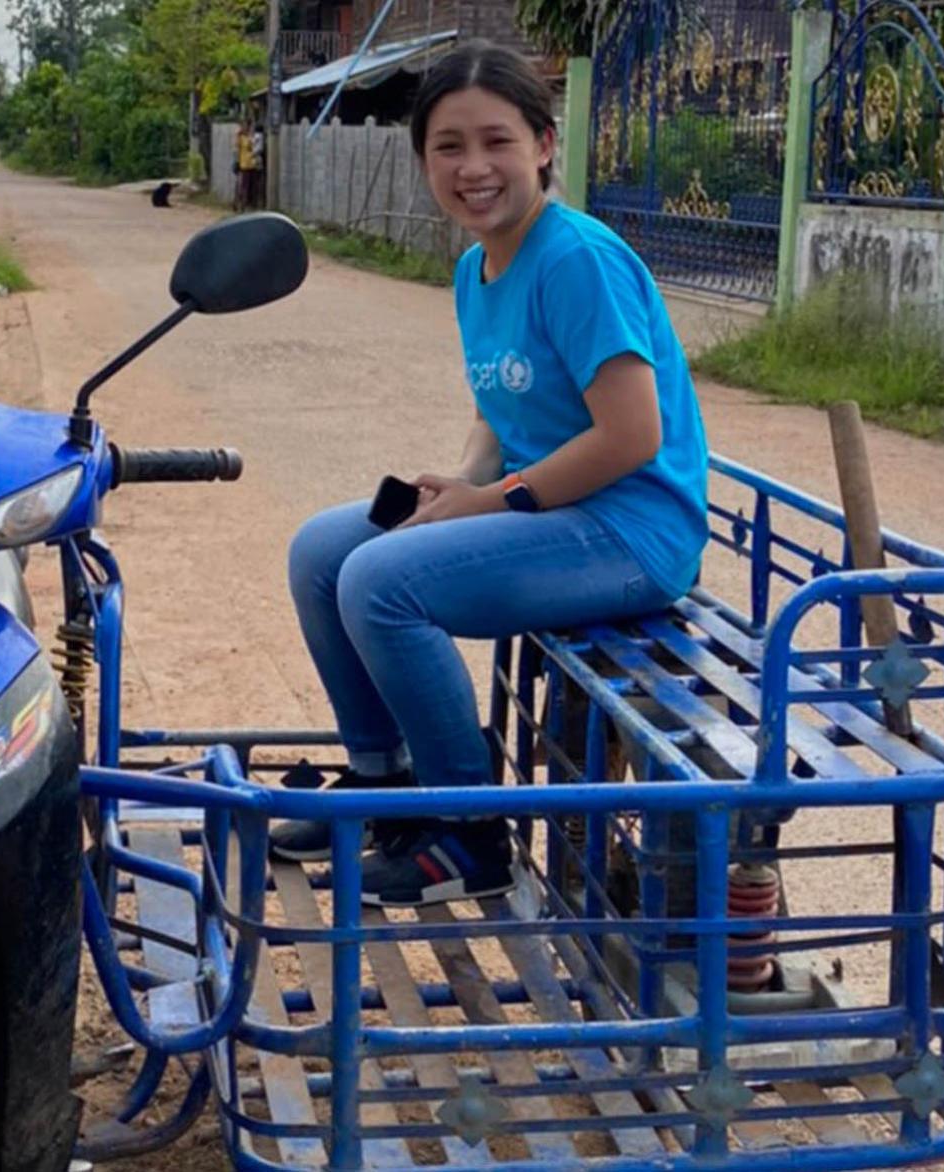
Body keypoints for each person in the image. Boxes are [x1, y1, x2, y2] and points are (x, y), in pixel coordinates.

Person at [269, 43, 710, 908]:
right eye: (448, 146)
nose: (473, 168)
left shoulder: (575, 259)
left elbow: (631, 434)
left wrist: (494, 500)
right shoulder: (478, 265)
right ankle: (384, 778)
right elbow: (497, 415)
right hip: (555, 509)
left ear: (544, 145)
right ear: (424, 159)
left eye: (497, 142)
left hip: (630, 528)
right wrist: (461, 484)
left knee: (381, 583)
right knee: (323, 549)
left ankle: (471, 834)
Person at [235, 119, 258, 211]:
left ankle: (250, 204)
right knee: (244, 186)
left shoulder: (252, 137)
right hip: (244, 164)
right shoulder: (241, 137)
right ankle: (242, 204)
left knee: (252, 186)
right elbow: (237, 148)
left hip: (252, 164)